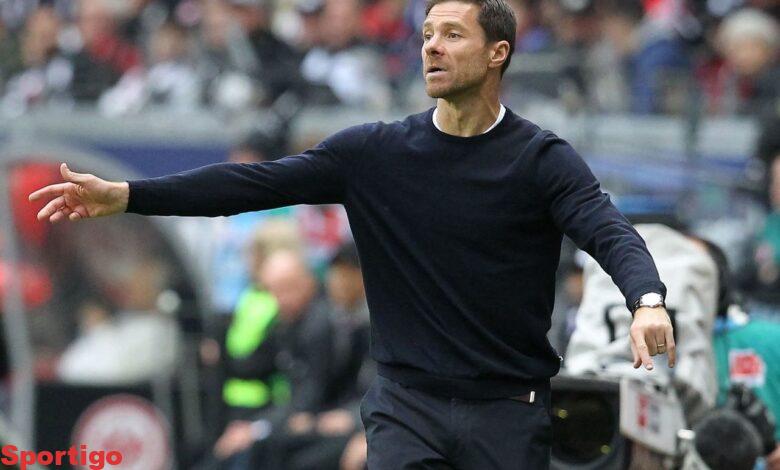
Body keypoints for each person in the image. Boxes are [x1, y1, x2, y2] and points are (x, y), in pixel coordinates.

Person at [28, 0, 675, 466]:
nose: (432, 46)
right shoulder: (374, 154)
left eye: (452, 34)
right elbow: (249, 185)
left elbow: (608, 231)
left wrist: (646, 300)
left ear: (497, 53)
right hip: (406, 408)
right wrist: (130, 195)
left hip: (509, 409)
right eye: (427, 34)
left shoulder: (541, 159)